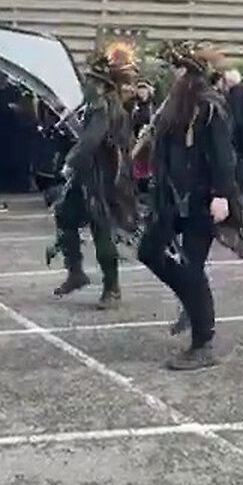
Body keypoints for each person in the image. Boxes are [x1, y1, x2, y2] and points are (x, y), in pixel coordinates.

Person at [138, 41, 243, 371]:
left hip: (202, 198)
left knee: (192, 268)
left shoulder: (209, 106)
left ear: (189, 74)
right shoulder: (173, 106)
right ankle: (191, 304)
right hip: (172, 198)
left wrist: (222, 194)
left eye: (177, 70)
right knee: (149, 251)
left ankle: (203, 340)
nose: (173, 76)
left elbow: (224, 154)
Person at [47, 40, 141, 310]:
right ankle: (75, 272)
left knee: (101, 230)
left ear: (100, 85)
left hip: (102, 179)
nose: (84, 86)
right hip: (89, 176)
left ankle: (112, 288)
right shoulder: (97, 106)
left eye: (88, 81)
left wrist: (70, 161)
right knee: (64, 215)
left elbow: (91, 141)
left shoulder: (104, 108)